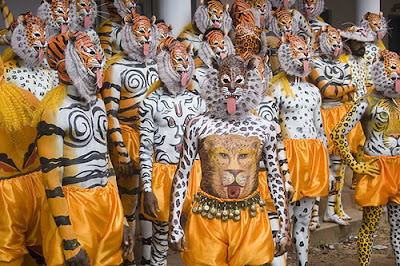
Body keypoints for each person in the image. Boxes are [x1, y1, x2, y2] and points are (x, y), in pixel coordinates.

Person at [169, 55, 291, 266]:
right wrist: (174, 222)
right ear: (216, 81)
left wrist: (285, 226)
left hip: (251, 218)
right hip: (206, 219)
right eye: (226, 81)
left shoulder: (265, 127)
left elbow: (275, 178)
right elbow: (182, 174)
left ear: (250, 81)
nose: (232, 88)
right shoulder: (197, 125)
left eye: (239, 82)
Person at [37, 31, 134, 265]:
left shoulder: (100, 104)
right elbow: (51, 181)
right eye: (88, 54)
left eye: (96, 51)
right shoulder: (54, 111)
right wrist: (69, 242)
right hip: (74, 210)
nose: (99, 59)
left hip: (107, 204)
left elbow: (106, 163)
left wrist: (122, 220)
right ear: (64, 66)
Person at [332, 49, 400, 266]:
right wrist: (355, 165)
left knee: (398, 225)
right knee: (370, 226)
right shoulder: (366, 101)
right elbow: (338, 132)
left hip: (398, 168)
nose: (396, 75)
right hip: (375, 169)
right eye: (392, 70)